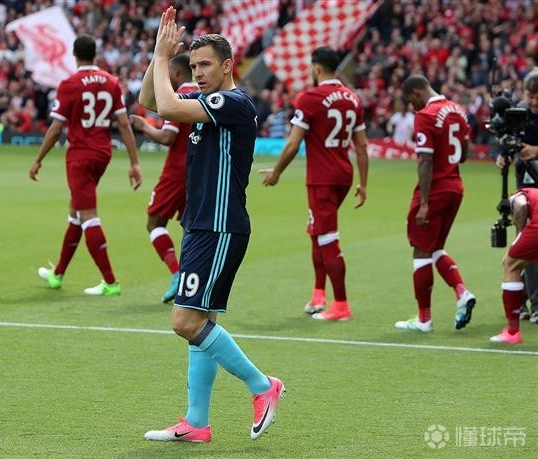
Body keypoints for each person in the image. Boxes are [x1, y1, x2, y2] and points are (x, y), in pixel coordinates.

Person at [139, 7, 283, 443]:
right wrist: (159, 54)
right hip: (201, 224)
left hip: (220, 226)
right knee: (200, 322)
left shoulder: (233, 103)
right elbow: (150, 102)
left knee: (184, 321)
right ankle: (197, 422)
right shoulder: (204, 99)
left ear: (228, 66)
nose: (198, 73)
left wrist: (162, 59)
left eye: (205, 66)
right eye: (195, 65)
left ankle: (263, 385)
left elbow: (165, 104)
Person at [261, 47, 369, 321]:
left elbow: (293, 143)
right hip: (344, 175)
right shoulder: (352, 98)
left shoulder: (310, 99)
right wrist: (364, 183)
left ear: (317, 68)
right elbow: (361, 146)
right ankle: (319, 293)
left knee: (327, 237)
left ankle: (341, 304)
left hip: (322, 179)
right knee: (316, 230)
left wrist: (277, 172)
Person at [29, 35, 142, 296]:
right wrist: (134, 163)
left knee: (88, 216)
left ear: (74, 54)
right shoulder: (111, 82)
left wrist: (38, 159)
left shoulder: (69, 84)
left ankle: (110, 282)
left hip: (80, 156)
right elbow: (124, 124)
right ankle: (57, 274)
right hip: (102, 153)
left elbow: (56, 128)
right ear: (95, 54)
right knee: (76, 213)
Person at [394, 74, 476, 333]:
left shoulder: (426, 115)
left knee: (420, 251)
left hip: (436, 190)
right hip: (455, 187)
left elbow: (425, 160)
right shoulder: (457, 110)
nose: (412, 107)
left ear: (418, 93)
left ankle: (424, 319)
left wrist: (424, 203)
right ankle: (462, 293)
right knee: (436, 247)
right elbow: (464, 155)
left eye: (411, 101)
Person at [129, 53, 198, 303]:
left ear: (177, 73)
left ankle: (178, 275)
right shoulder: (205, 95)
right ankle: (193, 280)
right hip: (199, 172)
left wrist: (144, 126)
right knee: (190, 227)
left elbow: (168, 137)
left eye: (168, 71)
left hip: (176, 172)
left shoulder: (177, 97)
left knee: (154, 222)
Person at [495, 70, 538, 324]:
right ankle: (523, 301)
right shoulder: (518, 113)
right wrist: (503, 156)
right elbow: (506, 144)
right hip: (524, 189)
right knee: (523, 245)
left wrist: (536, 151)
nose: (534, 102)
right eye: (530, 96)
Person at [490, 187, 538, 344]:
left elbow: (521, 205)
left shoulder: (518, 196)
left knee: (510, 264)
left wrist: (517, 240)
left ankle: (512, 332)